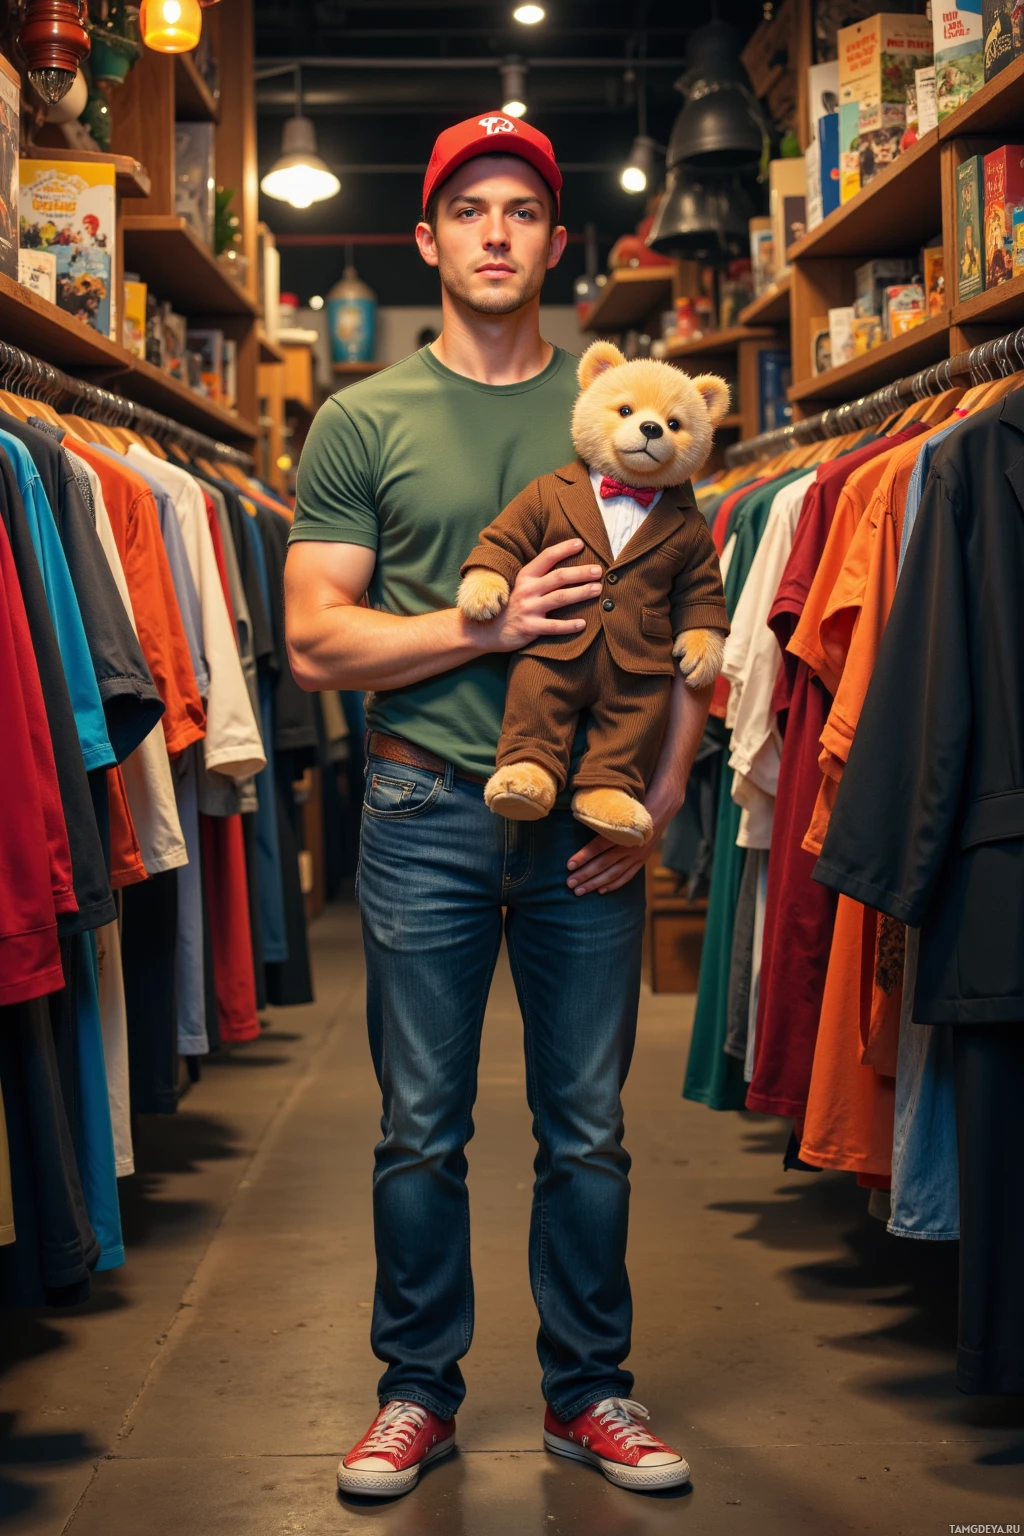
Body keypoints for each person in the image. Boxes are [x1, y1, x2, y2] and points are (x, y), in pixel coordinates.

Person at [285, 111, 716, 1501]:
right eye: (466, 209)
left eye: (519, 211)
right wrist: (489, 627)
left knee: (586, 1123)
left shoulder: (620, 401)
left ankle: (588, 1392)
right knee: (422, 1121)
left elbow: (689, 610)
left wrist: (650, 796)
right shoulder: (364, 417)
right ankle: (416, 1394)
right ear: (425, 239)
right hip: (423, 812)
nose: (491, 231)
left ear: (553, 241)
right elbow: (314, 640)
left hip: (586, 827)